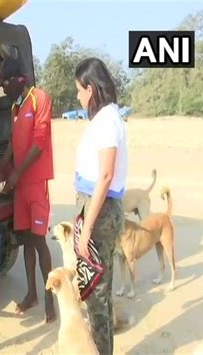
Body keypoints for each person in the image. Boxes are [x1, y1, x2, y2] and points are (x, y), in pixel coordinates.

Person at [0, 56, 56, 323]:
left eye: (4, 84)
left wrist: (16, 174)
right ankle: (32, 293)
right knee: (25, 239)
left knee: (40, 241)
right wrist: (1, 165)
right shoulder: (15, 108)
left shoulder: (40, 99)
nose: (3, 89)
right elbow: (12, 143)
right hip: (20, 187)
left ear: (18, 79)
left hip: (35, 183)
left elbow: (39, 143)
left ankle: (50, 300)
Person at [74, 57, 127, 355]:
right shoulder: (107, 118)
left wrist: (87, 228)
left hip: (100, 210)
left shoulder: (107, 121)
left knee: (95, 292)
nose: (78, 97)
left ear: (91, 89)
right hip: (99, 206)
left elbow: (105, 175)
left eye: (80, 91)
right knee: (100, 289)